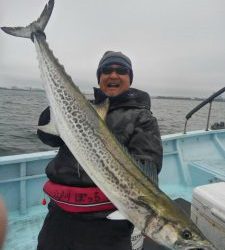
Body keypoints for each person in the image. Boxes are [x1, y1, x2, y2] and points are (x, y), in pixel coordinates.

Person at [37, 51, 163, 250]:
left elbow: (147, 164)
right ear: (99, 77)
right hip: (59, 216)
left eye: (121, 70)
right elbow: (48, 138)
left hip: (106, 225)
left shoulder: (142, 118)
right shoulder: (81, 108)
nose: (113, 75)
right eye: (106, 70)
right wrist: (56, 108)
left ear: (129, 78)